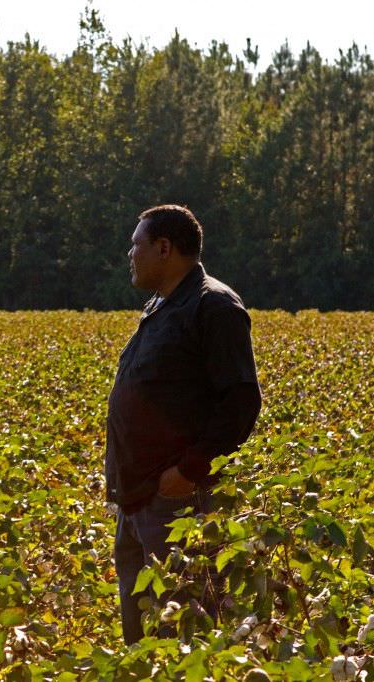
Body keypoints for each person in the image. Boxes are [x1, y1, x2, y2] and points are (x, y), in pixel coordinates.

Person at [105, 204, 262, 645]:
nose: (129, 254)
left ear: (164, 248)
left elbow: (240, 401)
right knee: (141, 638)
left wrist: (189, 470)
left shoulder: (214, 305)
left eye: (136, 245)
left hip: (175, 500)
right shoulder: (161, 304)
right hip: (137, 499)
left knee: (187, 629)